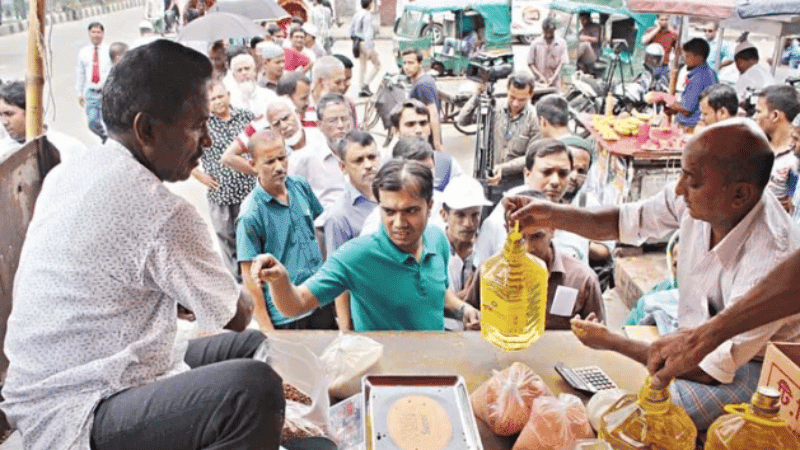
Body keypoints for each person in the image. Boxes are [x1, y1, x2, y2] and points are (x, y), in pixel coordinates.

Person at [2, 39, 285, 450]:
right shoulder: (163, 212)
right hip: (75, 409)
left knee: (252, 348)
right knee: (251, 388)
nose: (206, 142)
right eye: (197, 126)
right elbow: (234, 315)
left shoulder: (73, 171)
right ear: (146, 129)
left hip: (85, 372)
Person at [507, 119, 800, 430]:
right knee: (649, 316)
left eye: (693, 181)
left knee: (647, 419)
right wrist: (549, 213)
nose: (678, 189)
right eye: (682, 175)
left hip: (755, 366)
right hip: (700, 332)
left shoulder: (771, 256)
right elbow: (621, 221)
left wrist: (613, 342)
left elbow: (709, 368)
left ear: (740, 195)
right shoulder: (699, 194)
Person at [250, 159, 481, 332]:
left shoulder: (436, 238)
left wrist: (463, 309)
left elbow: (436, 293)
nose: (399, 224)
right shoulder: (356, 256)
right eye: (389, 211)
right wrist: (280, 280)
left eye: (411, 211)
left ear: (429, 207)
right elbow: (296, 305)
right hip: (383, 377)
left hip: (433, 368)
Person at [237, 129, 338, 331]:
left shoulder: (300, 186)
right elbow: (250, 279)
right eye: (269, 161)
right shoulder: (251, 214)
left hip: (318, 299)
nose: (279, 167)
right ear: (253, 165)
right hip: (287, 316)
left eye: (282, 158)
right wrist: (268, 331)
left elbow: (319, 234)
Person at [469, 189, 606, 329]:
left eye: (537, 236)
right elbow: (471, 323)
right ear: (506, 231)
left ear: (553, 230)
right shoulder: (488, 273)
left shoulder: (581, 280)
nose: (528, 248)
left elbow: (600, 339)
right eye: (519, 238)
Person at [191, 80, 255, 281]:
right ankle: (238, 282)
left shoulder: (247, 117)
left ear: (228, 94)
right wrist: (199, 175)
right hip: (221, 193)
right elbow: (183, 153)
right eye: (212, 99)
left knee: (254, 235)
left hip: (250, 189)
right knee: (227, 237)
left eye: (220, 96)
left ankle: (257, 277)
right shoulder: (200, 125)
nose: (218, 102)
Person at [474, 139, 573, 268]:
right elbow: (479, 273)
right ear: (527, 174)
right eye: (546, 172)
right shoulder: (498, 221)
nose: (555, 181)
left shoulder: (575, 223)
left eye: (563, 174)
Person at [456, 72, 539, 196]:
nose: (515, 103)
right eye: (512, 97)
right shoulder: (494, 107)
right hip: (487, 180)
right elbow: (462, 121)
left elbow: (532, 157)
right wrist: (477, 95)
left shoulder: (535, 118)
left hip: (516, 183)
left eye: (522, 100)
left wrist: (503, 168)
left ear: (531, 94)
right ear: (507, 89)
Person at [0, 80, 87, 163]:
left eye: (9, 114)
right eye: (0, 115)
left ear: (31, 112)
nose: (4, 122)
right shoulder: (3, 151)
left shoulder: (68, 147)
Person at [290, 93, 349, 212]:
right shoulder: (305, 158)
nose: (341, 126)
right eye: (333, 121)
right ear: (320, 125)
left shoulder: (364, 152)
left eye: (344, 119)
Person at [324, 129, 380, 256]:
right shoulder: (338, 217)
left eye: (372, 157)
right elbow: (337, 271)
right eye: (359, 160)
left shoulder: (394, 196)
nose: (368, 165)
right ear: (343, 167)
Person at [391, 99, 463, 191]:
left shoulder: (448, 165)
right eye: (410, 124)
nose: (418, 130)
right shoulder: (383, 166)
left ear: (429, 128)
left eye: (423, 123)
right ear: (396, 131)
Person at [440, 176, 491, 298]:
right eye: (460, 215)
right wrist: (464, 297)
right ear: (444, 215)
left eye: (475, 215)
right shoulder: (431, 250)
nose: (468, 223)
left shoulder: (487, 249)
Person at [754, 85, 800, 213]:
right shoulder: (755, 145)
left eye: (758, 112)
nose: (754, 117)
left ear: (774, 115)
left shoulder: (795, 158)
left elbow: (792, 207)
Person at [664, 38, 718, 131]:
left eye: (688, 56)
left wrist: (664, 99)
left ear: (698, 57)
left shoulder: (699, 77)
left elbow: (686, 110)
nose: (685, 60)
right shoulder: (710, 72)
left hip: (691, 127)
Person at [75, 21, 111, 142]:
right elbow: (80, 73)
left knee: (110, 120)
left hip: (107, 91)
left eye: (98, 32)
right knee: (92, 121)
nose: (96, 35)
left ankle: (112, 139)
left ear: (103, 34)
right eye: (93, 32)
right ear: (89, 34)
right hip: (91, 92)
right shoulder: (83, 52)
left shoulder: (109, 51)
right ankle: (104, 137)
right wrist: (79, 93)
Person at [402, 48, 443, 151]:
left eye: (411, 63)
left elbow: (433, 114)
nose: (407, 67)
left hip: (425, 142)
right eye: (405, 63)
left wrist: (437, 144)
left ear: (420, 63)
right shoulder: (423, 80)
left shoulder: (423, 85)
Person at [310, 56, 358, 127]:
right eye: (338, 82)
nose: (342, 87)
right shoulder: (302, 107)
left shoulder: (348, 103)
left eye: (343, 81)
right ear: (321, 82)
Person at [350, 0, 381, 98]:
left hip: (357, 42)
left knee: (362, 65)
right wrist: (369, 48)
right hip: (365, 42)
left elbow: (351, 30)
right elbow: (368, 33)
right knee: (377, 65)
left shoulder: (357, 15)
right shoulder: (368, 16)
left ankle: (361, 88)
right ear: (370, 4)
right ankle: (365, 85)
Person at [527, 17, 568, 90]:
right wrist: (540, 76)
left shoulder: (561, 43)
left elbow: (562, 63)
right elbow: (530, 63)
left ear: (554, 30)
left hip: (554, 83)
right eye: (546, 31)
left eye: (550, 31)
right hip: (538, 82)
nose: (548, 34)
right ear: (543, 30)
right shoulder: (536, 43)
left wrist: (553, 78)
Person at [734, 38, 774, 104]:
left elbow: (739, 101)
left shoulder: (747, 75)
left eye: (737, 63)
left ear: (740, 61)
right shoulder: (764, 71)